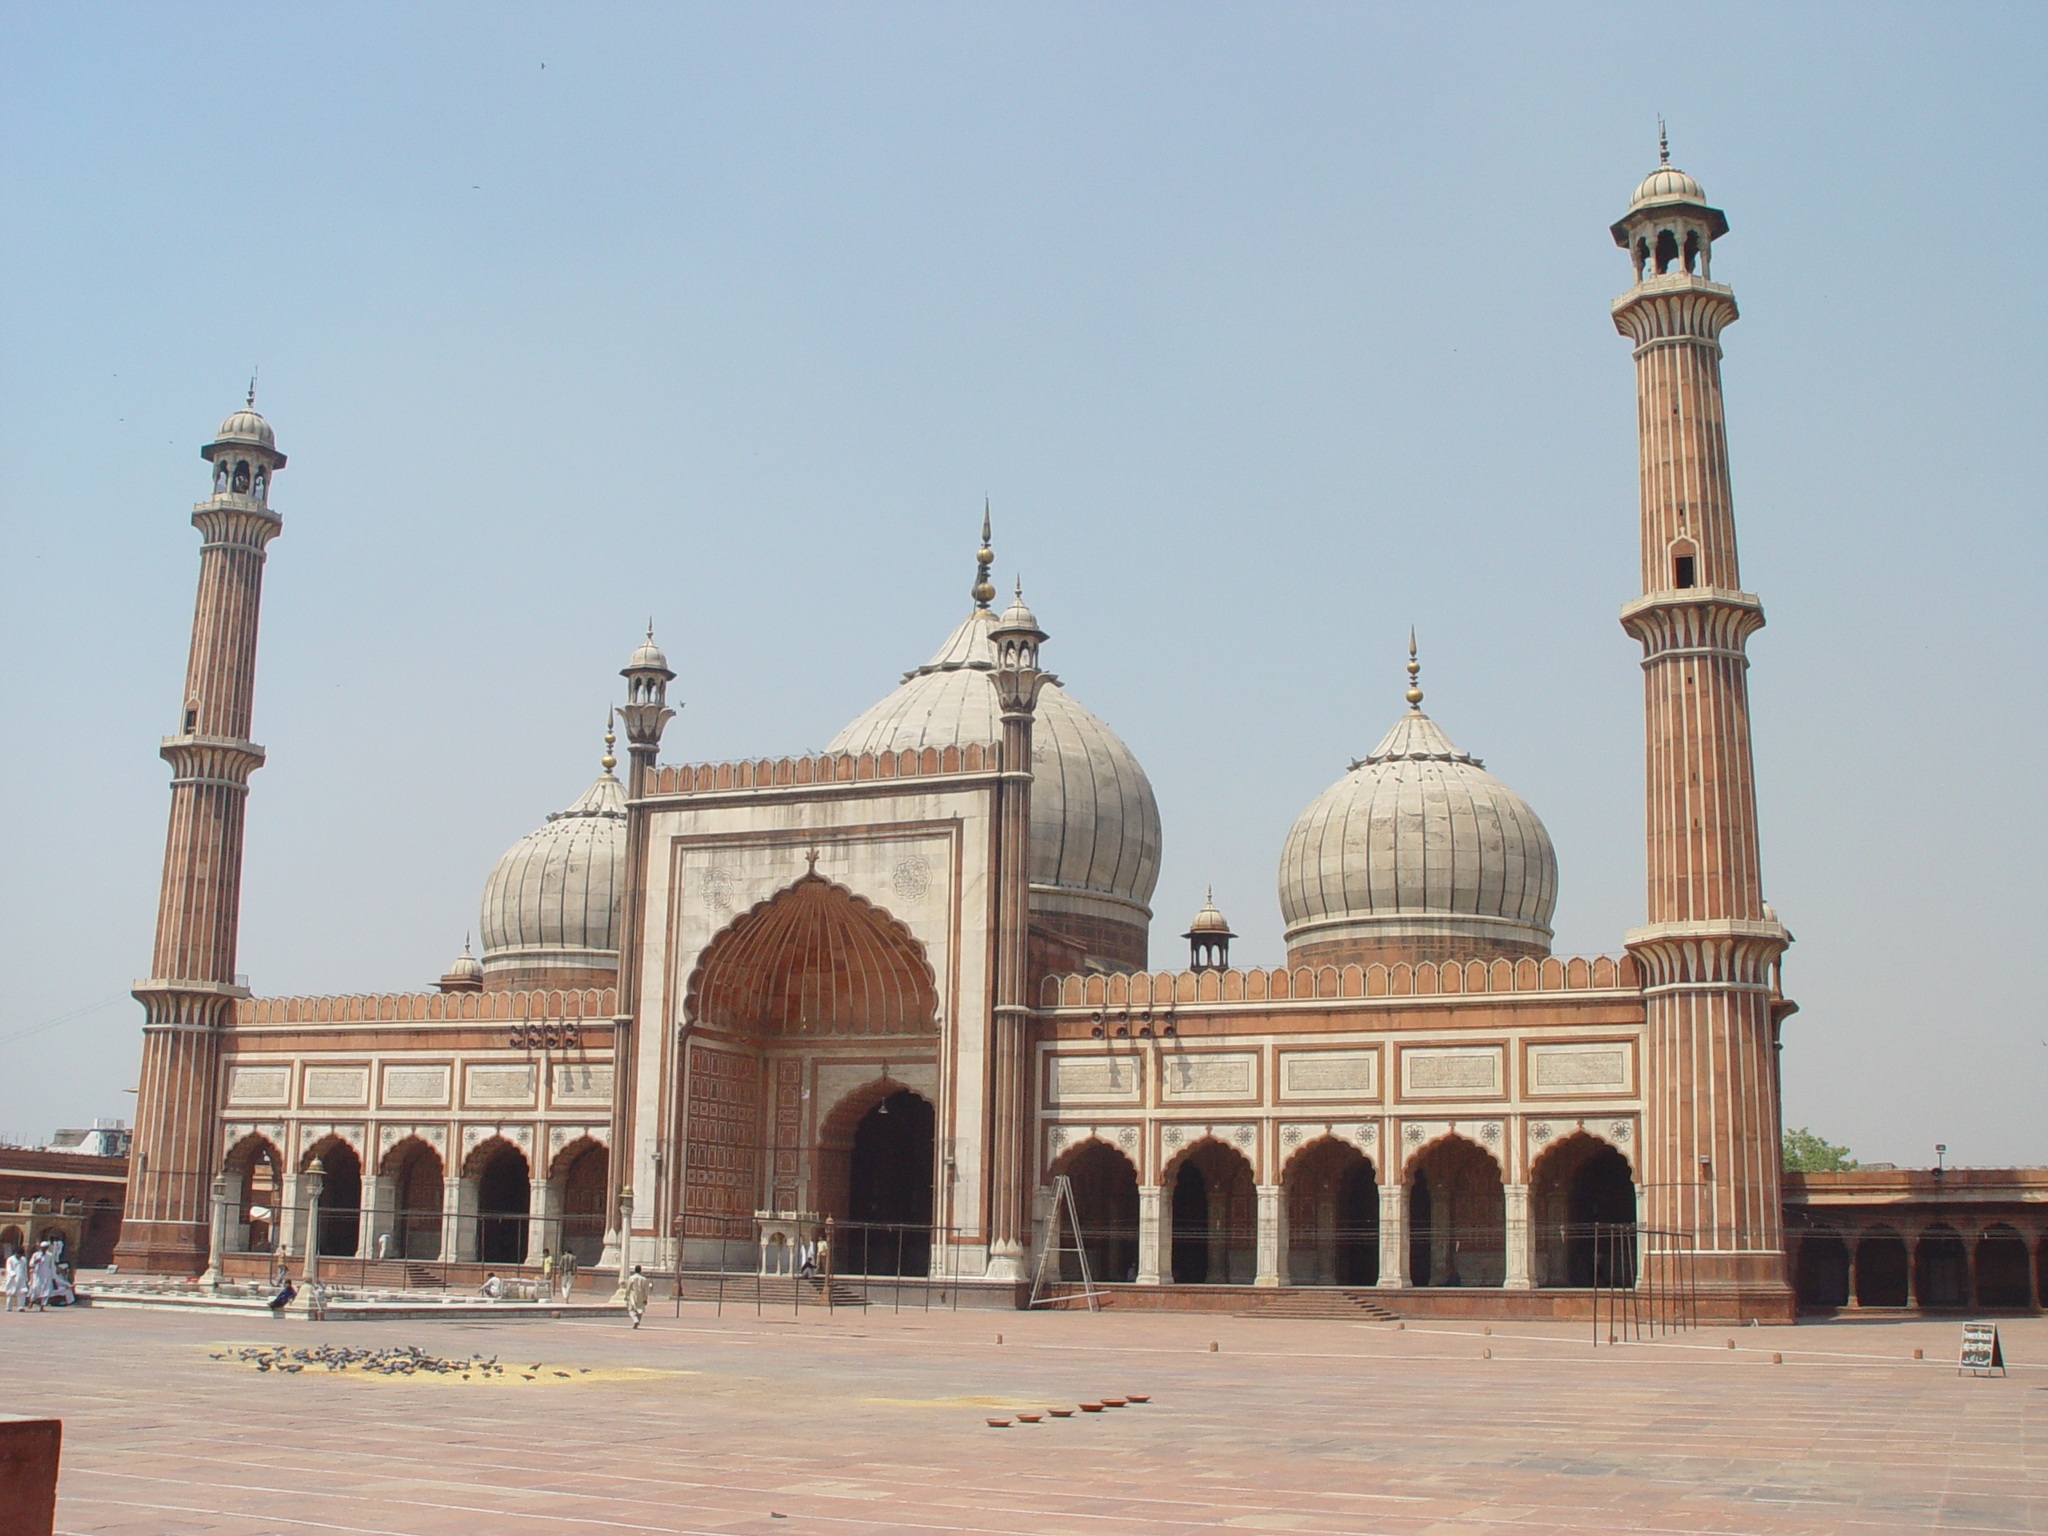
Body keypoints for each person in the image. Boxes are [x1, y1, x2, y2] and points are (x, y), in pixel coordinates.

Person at [623, 1263, 650, 1329]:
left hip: (633, 1295)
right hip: (642, 1296)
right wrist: (646, 1298)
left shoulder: (631, 1278)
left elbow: (628, 1287)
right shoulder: (644, 1279)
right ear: (640, 1270)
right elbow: (646, 1290)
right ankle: (637, 1321)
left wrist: (626, 1295)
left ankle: (635, 1320)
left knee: (632, 1310)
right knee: (640, 1310)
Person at [3, 1247, 26, 1313]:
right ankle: (9, 1307)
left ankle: (20, 1307)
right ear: (16, 1253)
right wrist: (13, 1274)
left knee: (22, 1292)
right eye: (18, 1254)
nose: (19, 1256)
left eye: (21, 1255)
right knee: (10, 1292)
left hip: (21, 1278)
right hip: (12, 1278)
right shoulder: (10, 1259)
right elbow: (9, 1269)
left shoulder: (23, 1260)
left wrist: (26, 1278)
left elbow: (24, 1269)